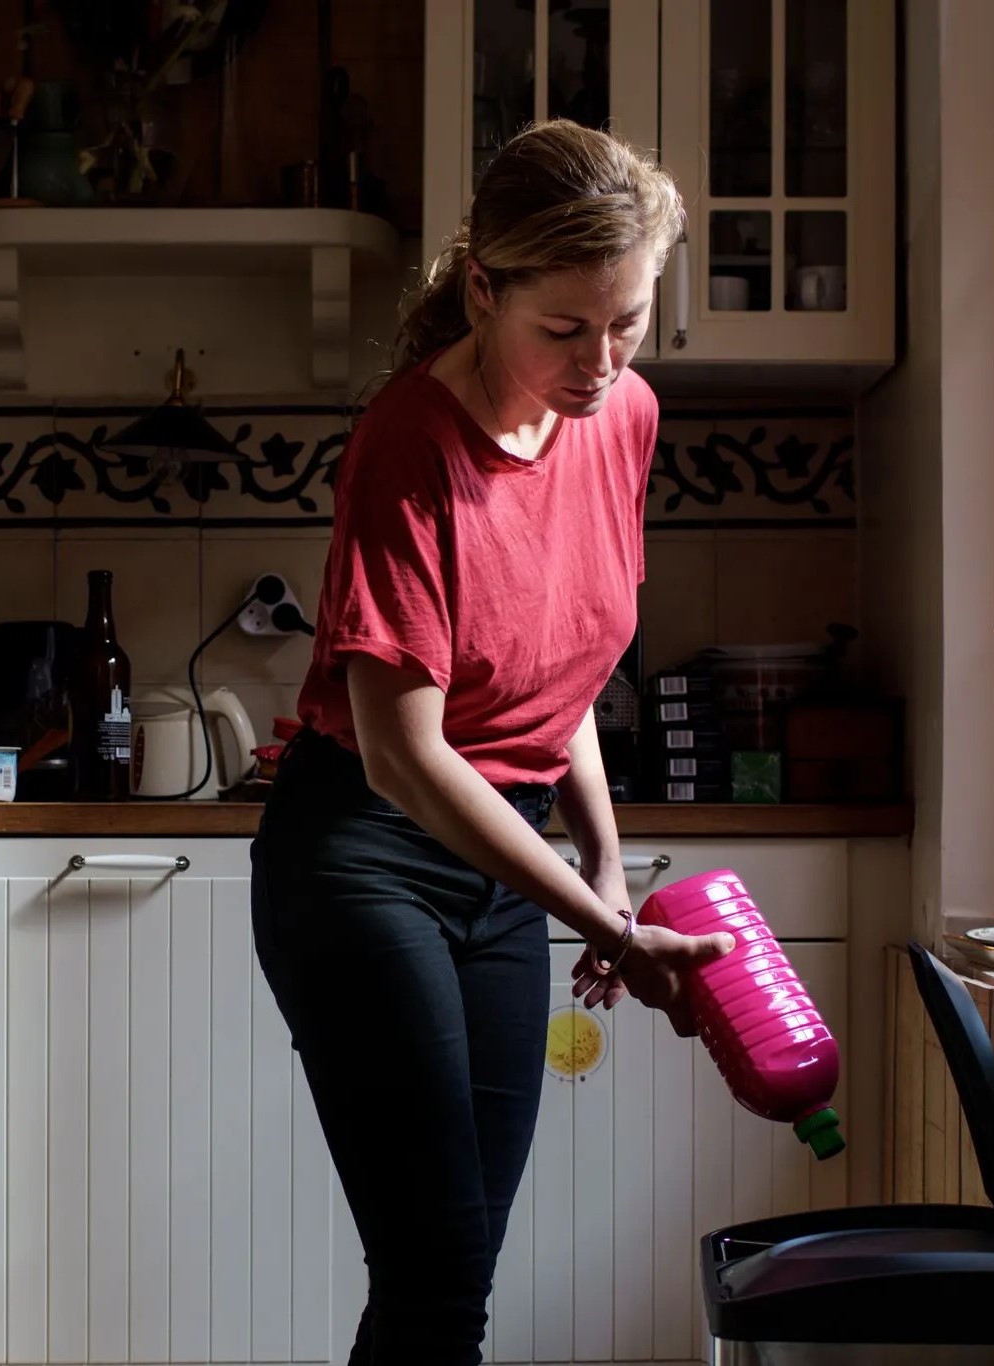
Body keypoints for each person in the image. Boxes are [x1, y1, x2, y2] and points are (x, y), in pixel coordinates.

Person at [249, 118, 734, 1366]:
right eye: (563, 329)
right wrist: (603, 922)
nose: (599, 360)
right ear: (483, 288)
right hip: (363, 852)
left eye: (626, 322)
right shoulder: (409, 445)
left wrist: (608, 870)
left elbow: (554, 665)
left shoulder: (622, 415)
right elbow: (404, 753)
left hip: (508, 861)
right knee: (435, 1278)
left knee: (451, 1273)